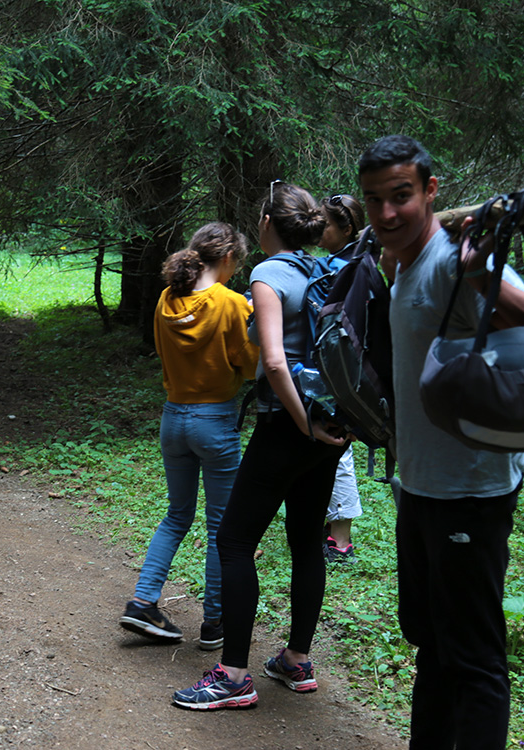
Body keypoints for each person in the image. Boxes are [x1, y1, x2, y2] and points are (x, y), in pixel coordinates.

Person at [358, 135, 524, 747]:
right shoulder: (407, 261)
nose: (387, 213)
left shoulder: (455, 264)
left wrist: (481, 276)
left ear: (430, 191)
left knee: (473, 660)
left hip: (470, 493)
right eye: (375, 200)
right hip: (419, 487)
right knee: (432, 645)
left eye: (402, 196)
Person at [172, 182, 349, 710]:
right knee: (304, 539)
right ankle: (296, 661)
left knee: (232, 540)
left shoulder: (270, 273)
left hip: (290, 428)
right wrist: (324, 428)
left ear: (269, 221)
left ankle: (232, 676)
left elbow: (272, 361)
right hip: (329, 428)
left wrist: (300, 424)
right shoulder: (326, 269)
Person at [120, 222, 259, 651]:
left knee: (177, 515)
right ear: (229, 258)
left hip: (172, 419)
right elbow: (251, 366)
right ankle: (214, 623)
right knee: (222, 527)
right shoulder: (232, 303)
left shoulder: (166, 299)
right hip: (215, 421)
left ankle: (143, 602)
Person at [317, 193, 369, 563]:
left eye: (326, 224)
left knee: (340, 448)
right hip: (341, 368)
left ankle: (340, 540)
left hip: (344, 369)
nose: (319, 229)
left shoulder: (348, 265)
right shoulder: (356, 260)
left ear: (346, 228)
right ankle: (332, 529)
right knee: (335, 444)